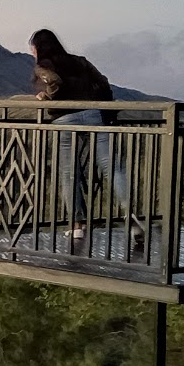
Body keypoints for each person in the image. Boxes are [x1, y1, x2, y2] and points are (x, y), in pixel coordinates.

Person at [29, 29, 144, 252]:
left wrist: (46, 96)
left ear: (39, 47)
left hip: (65, 119)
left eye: (32, 47)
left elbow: (54, 82)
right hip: (93, 114)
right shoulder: (79, 62)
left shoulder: (44, 66)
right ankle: (131, 215)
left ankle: (77, 226)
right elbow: (103, 82)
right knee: (112, 166)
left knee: (70, 172)